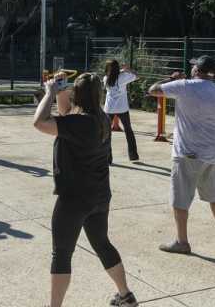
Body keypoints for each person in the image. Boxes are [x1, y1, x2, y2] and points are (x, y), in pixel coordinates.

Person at [33, 72, 138, 307]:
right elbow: (64, 114)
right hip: (99, 196)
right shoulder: (99, 118)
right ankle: (125, 295)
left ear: (76, 95)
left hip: (74, 198)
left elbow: (40, 122)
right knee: (102, 243)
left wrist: (49, 93)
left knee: (61, 253)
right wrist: (60, 90)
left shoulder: (79, 122)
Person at [148, 56, 215, 254]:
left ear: (197, 70)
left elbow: (152, 90)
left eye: (194, 65)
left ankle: (182, 241)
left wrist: (171, 79)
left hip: (187, 153)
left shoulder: (184, 86)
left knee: (180, 199)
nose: (191, 67)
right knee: (213, 194)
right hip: (210, 153)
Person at [103, 59, 139, 162]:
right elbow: (137, 76)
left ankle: (107, 158)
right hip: (122, 108)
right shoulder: (123, 77)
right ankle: (133, 156)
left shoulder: (105, 78)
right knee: (128, 131)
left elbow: (113, 75)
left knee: (106, 132)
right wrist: (128, 69)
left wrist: (123, 71)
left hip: (109, 108)